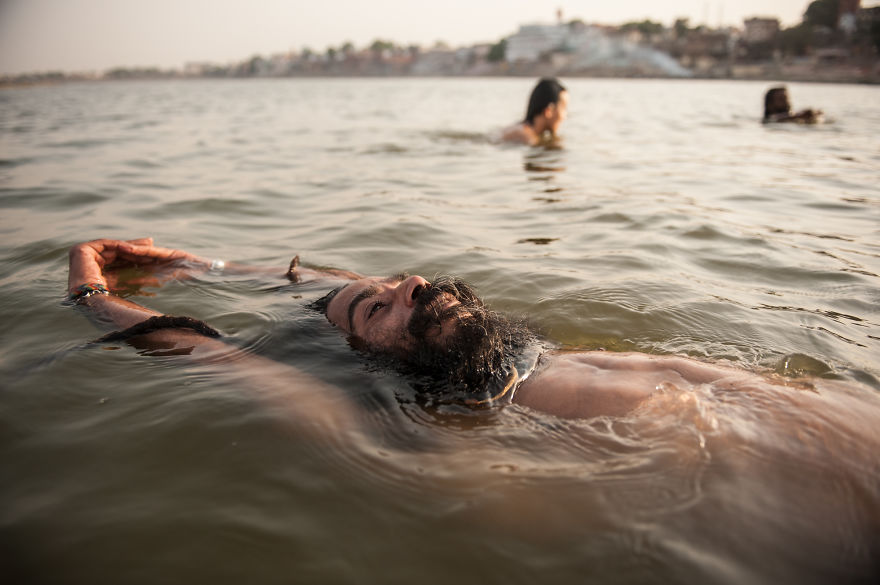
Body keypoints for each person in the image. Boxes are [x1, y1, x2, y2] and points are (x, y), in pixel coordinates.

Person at [66, 237, 873, 423]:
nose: (413, 286)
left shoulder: (545, 355)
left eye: (404, 284)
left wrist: (199, 259)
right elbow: (195, 341)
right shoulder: (439, 427)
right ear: (362, 353)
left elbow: (328, 285)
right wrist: (90, 275)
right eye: (380, 309)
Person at [501, 78, 568, 146]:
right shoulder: (527, 137)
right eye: (564, 108)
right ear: (548, 111)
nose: (565, 117)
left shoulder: (521, 128)